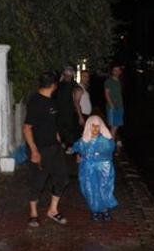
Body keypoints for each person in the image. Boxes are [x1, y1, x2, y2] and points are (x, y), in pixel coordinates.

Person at [23, 72, 69, 227]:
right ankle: (33, 213)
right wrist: (34, 151)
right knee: (37, 181)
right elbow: (27, 128)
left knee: (62, 179)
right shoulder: (35, 102)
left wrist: (57, 138)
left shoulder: (51, 101)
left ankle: (52, 210)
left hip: (54, 147)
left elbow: (52, 123)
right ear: (53, 85)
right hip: (40, 149)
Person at [71, 115, 118, 222]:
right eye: (93, 126)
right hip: (87, 168)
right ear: (89, 126)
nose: (95, 129)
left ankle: (105, 210)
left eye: (98, 126)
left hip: (103, 168)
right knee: (89, 189)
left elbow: (110, 150)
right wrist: (76, 152)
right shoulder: (84, 140)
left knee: (104, 188)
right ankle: (94, 210)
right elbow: (76, 147)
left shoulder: (106, 140)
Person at [55, 65, 80, 151]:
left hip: (70, 111)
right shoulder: (59, 84)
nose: (68, 77)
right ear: (64, 75)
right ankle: (63, 144)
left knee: (70, 129)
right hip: (60, 111)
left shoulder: (74, 84)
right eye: (66, 75)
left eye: (70, 75)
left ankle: (70, 146)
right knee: (60, 128)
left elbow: (79, 92)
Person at [104, 63, 125, 149]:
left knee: (116, 127)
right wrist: (112, 105)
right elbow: (106, 94)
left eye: (118, 70)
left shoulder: (119, 81)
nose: (116, 72)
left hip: (120, 107)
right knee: (113, 128)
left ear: (120, 72)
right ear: (112, 71)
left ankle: (112, 144)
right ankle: (110, 147)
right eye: (114, 70)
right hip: (112, 108)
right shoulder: (109, 81)